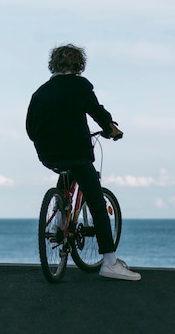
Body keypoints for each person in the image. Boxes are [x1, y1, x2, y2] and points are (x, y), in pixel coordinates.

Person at [26, 44, 141, 281]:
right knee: (96, 201)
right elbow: (95, 110)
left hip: (48, 154)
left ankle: (59, 222)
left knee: (65, 176)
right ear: (79, 65)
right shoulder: (80, 86)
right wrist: (111, 128)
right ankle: (109, 262)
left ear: (54, 65)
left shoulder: (40, 92)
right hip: (76, 152)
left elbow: (30, 126)